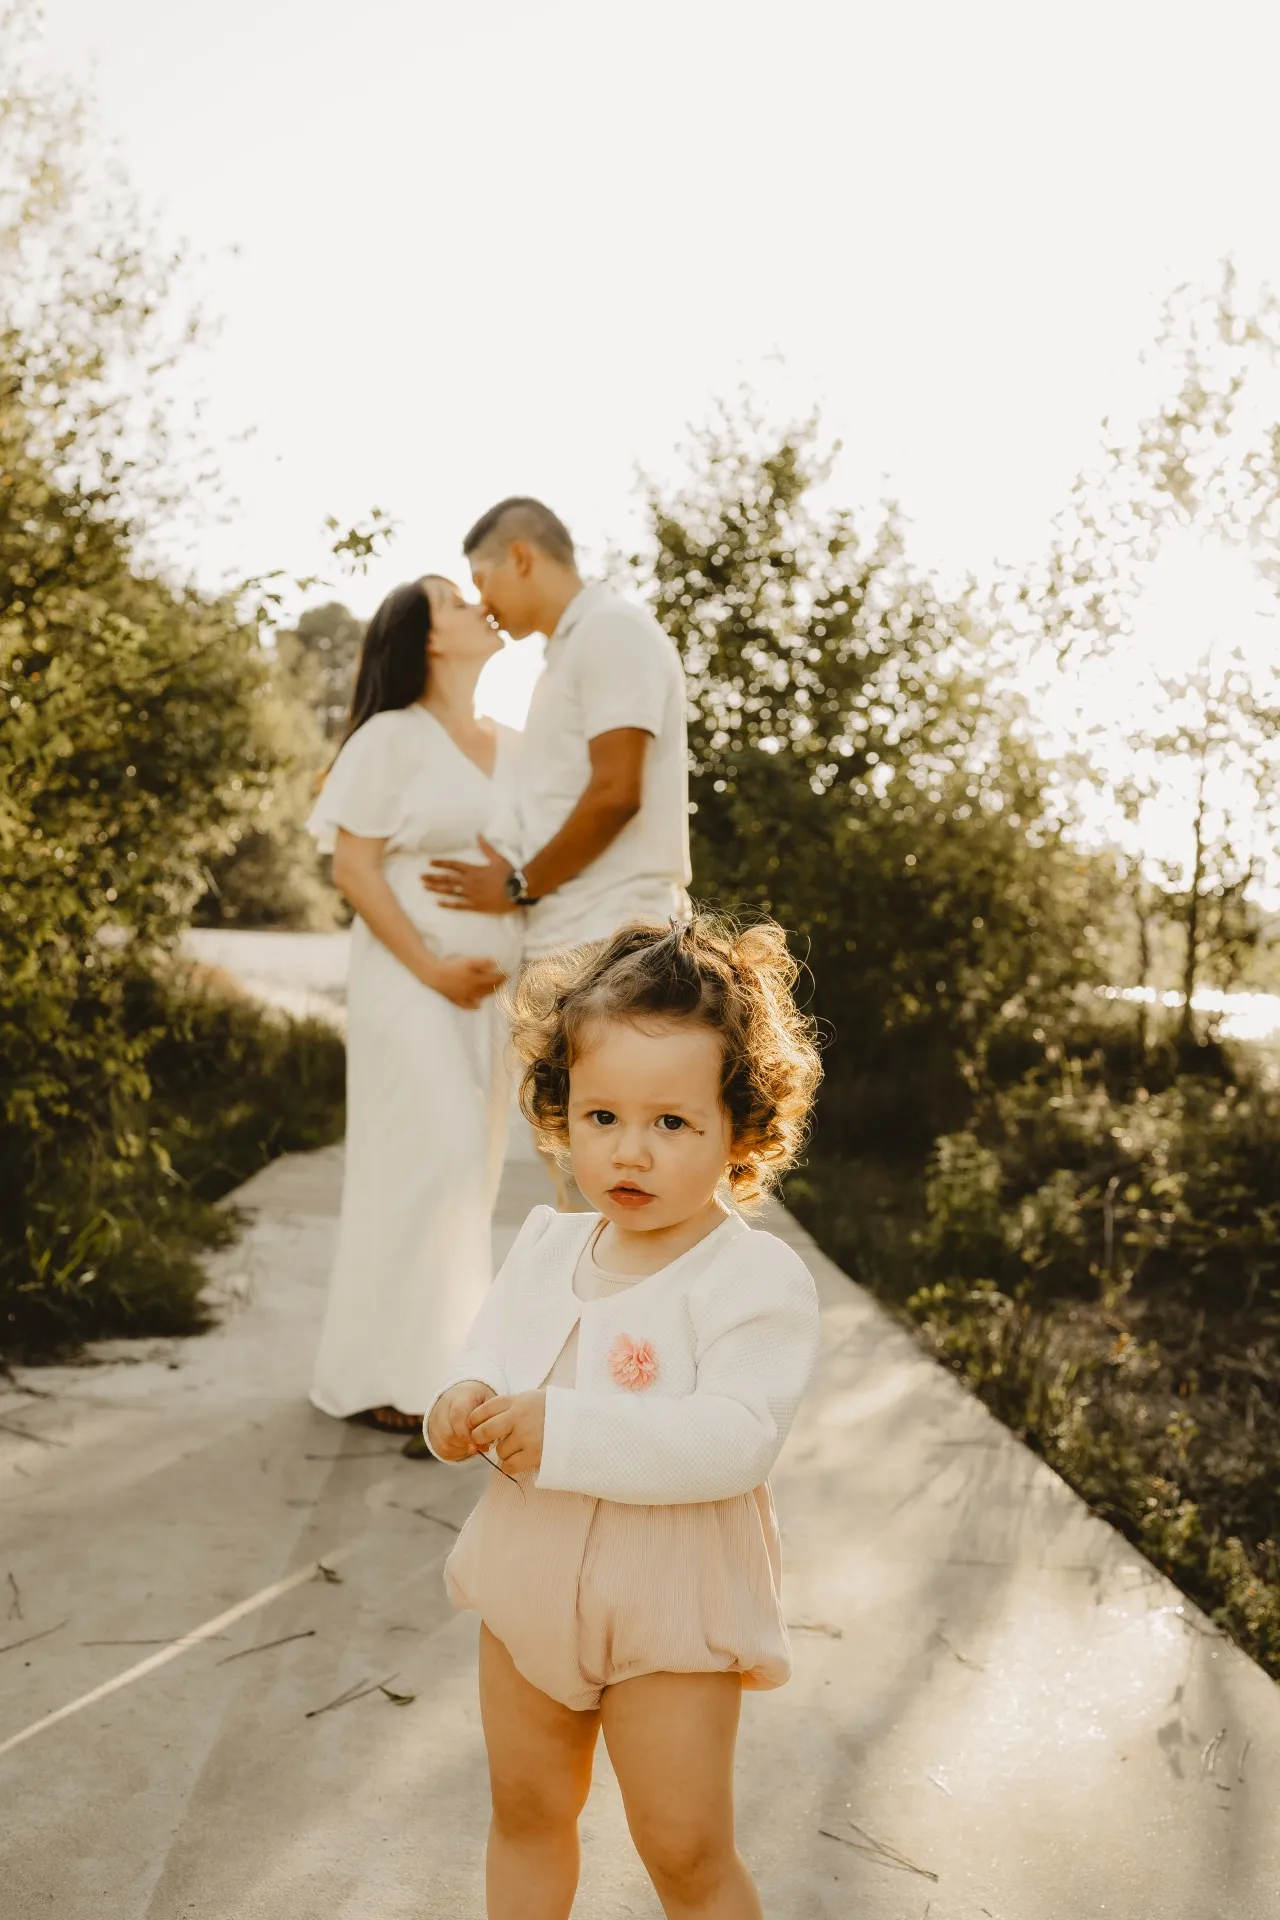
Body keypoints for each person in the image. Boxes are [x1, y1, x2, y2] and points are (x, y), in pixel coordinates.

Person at [425, 915, 823, 1920]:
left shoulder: (750, 1279)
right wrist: (460, 1402)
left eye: (672, 1124)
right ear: (564, 1109)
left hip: (671, 1605)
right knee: (524, 1810)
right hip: (528, 1577)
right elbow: (490, 1354)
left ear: (742, 1127)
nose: (628, 1153)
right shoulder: (547, 1245)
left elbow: (734, 1437)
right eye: (601, 1117)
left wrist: (561, 1429)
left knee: (683, 1849)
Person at [423, 495, 691, 1203]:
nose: (483, 603)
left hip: (607, 945)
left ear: (521, 557)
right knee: (581, 1178)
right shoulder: (568, 654)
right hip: (569, 944)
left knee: (613, 1178)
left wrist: (516, 885)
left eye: (482, 580)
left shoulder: (612, 633)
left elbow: (616, 793)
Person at [306, 577, 522, 1442]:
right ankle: (391, 1375)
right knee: (431, 1157)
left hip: (491, 995)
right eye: (457, 601)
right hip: (410, 983)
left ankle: (436, 1366)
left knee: (471, 1170)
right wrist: (434, 968)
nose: (482, 606)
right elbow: (354, 871)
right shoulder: (390, 738)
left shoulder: (513, 744)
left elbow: (533, 864)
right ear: (427, 639)